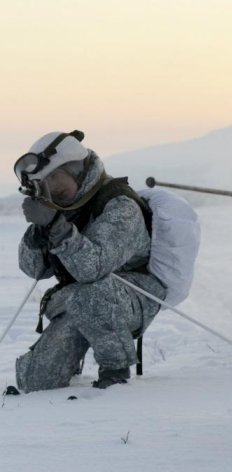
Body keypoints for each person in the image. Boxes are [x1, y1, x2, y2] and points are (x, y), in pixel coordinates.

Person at [11, 131, 165, 392]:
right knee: (36, 381)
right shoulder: (61, 208)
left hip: (133, 297)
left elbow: (92, 269)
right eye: (44, 185)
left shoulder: (119, 205)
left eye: (55, 180)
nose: (52, 191)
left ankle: (115, 372)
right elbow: (33, 269)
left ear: (76, 170)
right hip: (80, 299)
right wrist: (38, 234)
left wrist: (57, 228)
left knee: (91, 293)